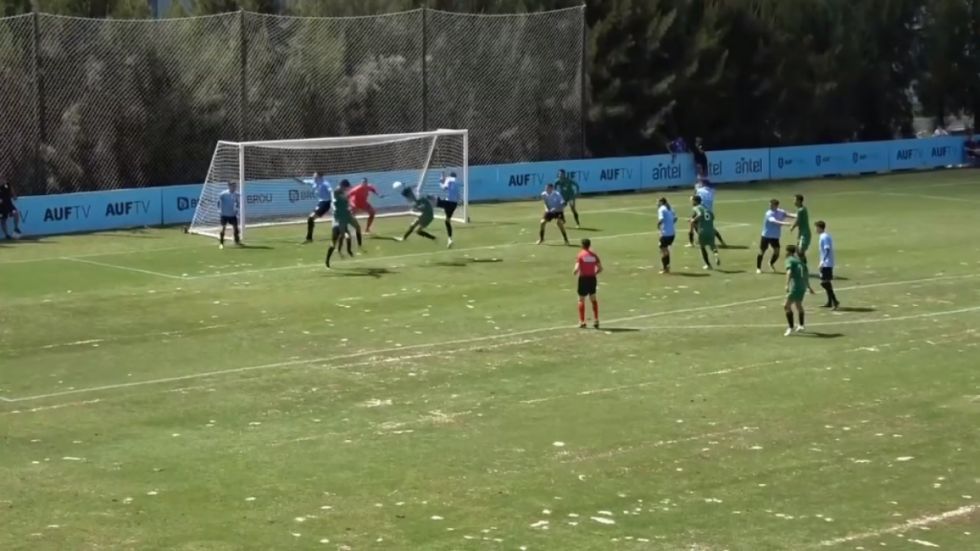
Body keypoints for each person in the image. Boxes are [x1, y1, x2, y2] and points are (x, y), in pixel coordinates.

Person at [756, 199, 795, 273]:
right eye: (769, 205)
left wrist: (797, 215)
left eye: (771, 205)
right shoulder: (768, 213)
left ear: (776, 205)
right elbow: (774, 221)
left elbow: (788, 214)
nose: (770, 206)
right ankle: (758, 268)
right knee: (762, 252)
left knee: (777, 252)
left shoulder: (780, 211)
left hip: (775, 236)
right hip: (766, 235)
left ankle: (770, 263)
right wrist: (786, 223)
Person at [689, 176, 727, 248]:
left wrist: (696, 188)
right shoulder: (712, 191)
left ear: (702, 183)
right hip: (709, 212)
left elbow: (694, 197)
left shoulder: (699, 190)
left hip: (700, 210)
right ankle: (722, 242)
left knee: (692, 223)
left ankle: (692, 243)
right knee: (710, 227)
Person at [573, 238, 602, 329]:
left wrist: (575, 272)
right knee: (593, 298)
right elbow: (600, 268)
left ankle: (582, 321)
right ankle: (596, 320)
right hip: (592, 278)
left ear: (582, 245)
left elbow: (576, 269)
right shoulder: (594, 255)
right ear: (589, 245)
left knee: (581, 299)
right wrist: (594, 273)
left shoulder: (580, 255)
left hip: (583, 278)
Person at [325, 181, 355, 268]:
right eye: (346, 187)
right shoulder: (336, 193)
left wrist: (349, 209)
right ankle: (327, 260)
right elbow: (334, 205)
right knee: (334, 242)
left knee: (347, 236)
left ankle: (347, 250)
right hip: (337, 221)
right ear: (342, 186)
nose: (347, 189)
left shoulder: (342, 194)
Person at [783, 244, 810, 336]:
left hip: (795, 286)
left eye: (786, 251)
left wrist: (786, 284)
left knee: (786, 306)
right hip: (802, 286)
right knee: (798, 304)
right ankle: (801, 325)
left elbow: (789, 272)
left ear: (789, 252)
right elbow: (806, 273)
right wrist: (808, 286)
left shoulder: (789, 260)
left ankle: (790, 327)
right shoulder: (799, 261)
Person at [690, 195, 720, 270]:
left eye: (692, 200)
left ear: (695, 201)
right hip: (711, 230)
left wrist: (693, 220)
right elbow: (713, 217)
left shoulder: (696, 208)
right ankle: (716, 254)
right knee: (712, 246)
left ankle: (708, 265)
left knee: (702, 247)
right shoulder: (706, 208)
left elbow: (700, 214)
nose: (691, 202)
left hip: (702, 230)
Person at [816, 220, 840, 310]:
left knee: (824, 282)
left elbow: (827, 249)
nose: (816, 230)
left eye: (816, 228)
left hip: (827, 263)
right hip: (826, 262)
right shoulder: (823, 236)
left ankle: (835, 301)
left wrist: (823, 261)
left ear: (819, 227)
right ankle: (830, 302)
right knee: (826, 282)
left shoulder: (824, 237)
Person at [304, 172, 332, 243]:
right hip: (321, 203)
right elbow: (303, 182)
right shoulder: (314, 182)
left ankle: (309, 238)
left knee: (311, 218)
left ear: (319, 176)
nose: (313, 177)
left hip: (326, 203)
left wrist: (333, 199)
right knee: (310, 219)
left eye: (315, 175)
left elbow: (331, 191)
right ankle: (309, 238)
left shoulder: (325, 184)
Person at [436, 172, 461, 248]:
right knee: (447, 221)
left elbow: (444, 188)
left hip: (449, 203)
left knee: (434, 200)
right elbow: (456, 194)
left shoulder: (449, 179)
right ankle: (449, 239)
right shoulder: (457, 182)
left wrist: (440, 182)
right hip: (454, 204)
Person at [217, 181, 241, 249]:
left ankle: (236, 240)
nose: (234, 187)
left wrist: (237, 208)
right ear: (229, 186)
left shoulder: (236, 194)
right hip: (224, 215)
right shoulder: (223, 194)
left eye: (235, 186)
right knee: (223, 228)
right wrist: (218, 210)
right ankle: (221, 243)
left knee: (236, 228)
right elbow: (218, 202)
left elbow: (237, 202)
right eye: (233, 186)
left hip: (232, 215)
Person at [656, 197, 676, 274]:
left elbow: (661, 219)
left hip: (666, 233)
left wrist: (658, 225)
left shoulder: (661, 209)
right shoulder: (670, 208)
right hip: (672, 233)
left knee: (662, 250)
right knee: (665, 249)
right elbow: (675, 218)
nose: (657, 204)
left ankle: (665, 268)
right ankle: (667, 266)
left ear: (661, 202)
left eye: (658, 202)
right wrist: (670, 224)